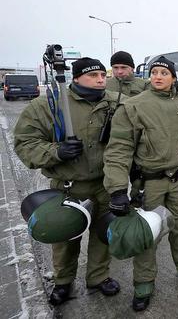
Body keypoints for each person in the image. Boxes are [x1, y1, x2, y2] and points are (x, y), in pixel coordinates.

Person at [103, 56, 178, 311]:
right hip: (149, 183)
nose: (158, 76)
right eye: (154, 72)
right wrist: (118, 189)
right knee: (148, 233)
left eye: (164, 72)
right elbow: (118, 150)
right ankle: (144, 282)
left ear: (173, 77)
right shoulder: (134, 107)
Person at [14, 57, 121, 306]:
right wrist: (57, 151)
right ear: (75, 78)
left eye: (102, 76)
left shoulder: (116, 103)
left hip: (106, 184)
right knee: (66, 238)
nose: (100, 80)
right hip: (69, 186)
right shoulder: (49, 105)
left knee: (103, 234)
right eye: (93, 76)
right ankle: (63, 281)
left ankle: (98, 276)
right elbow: (25, 142)